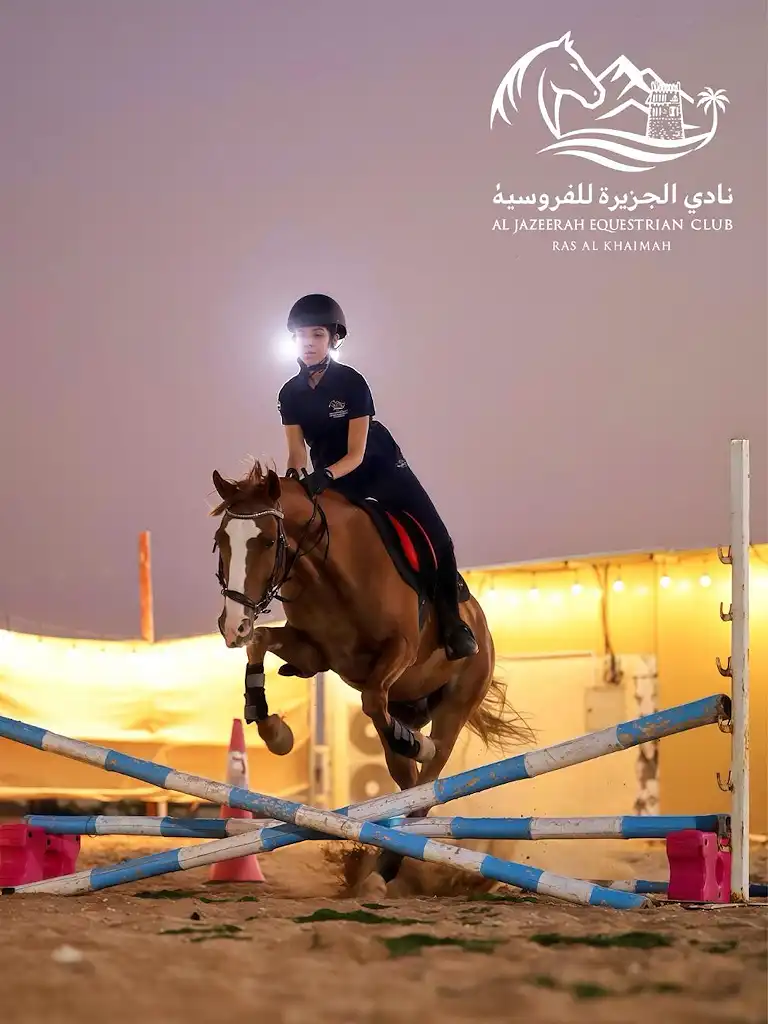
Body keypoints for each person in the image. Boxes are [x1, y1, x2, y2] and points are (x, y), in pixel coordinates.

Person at [276, 293, 479, 661]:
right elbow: (295, 453)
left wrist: (323, 477)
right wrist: (293, 482)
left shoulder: (352, 383)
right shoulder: (289, 394)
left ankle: (452, 625)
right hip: (331, 477)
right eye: (302, 334)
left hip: (380, 470)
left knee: (440, 538)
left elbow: (356, 454)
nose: (308, 342)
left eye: (318, 334)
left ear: (333, 339)